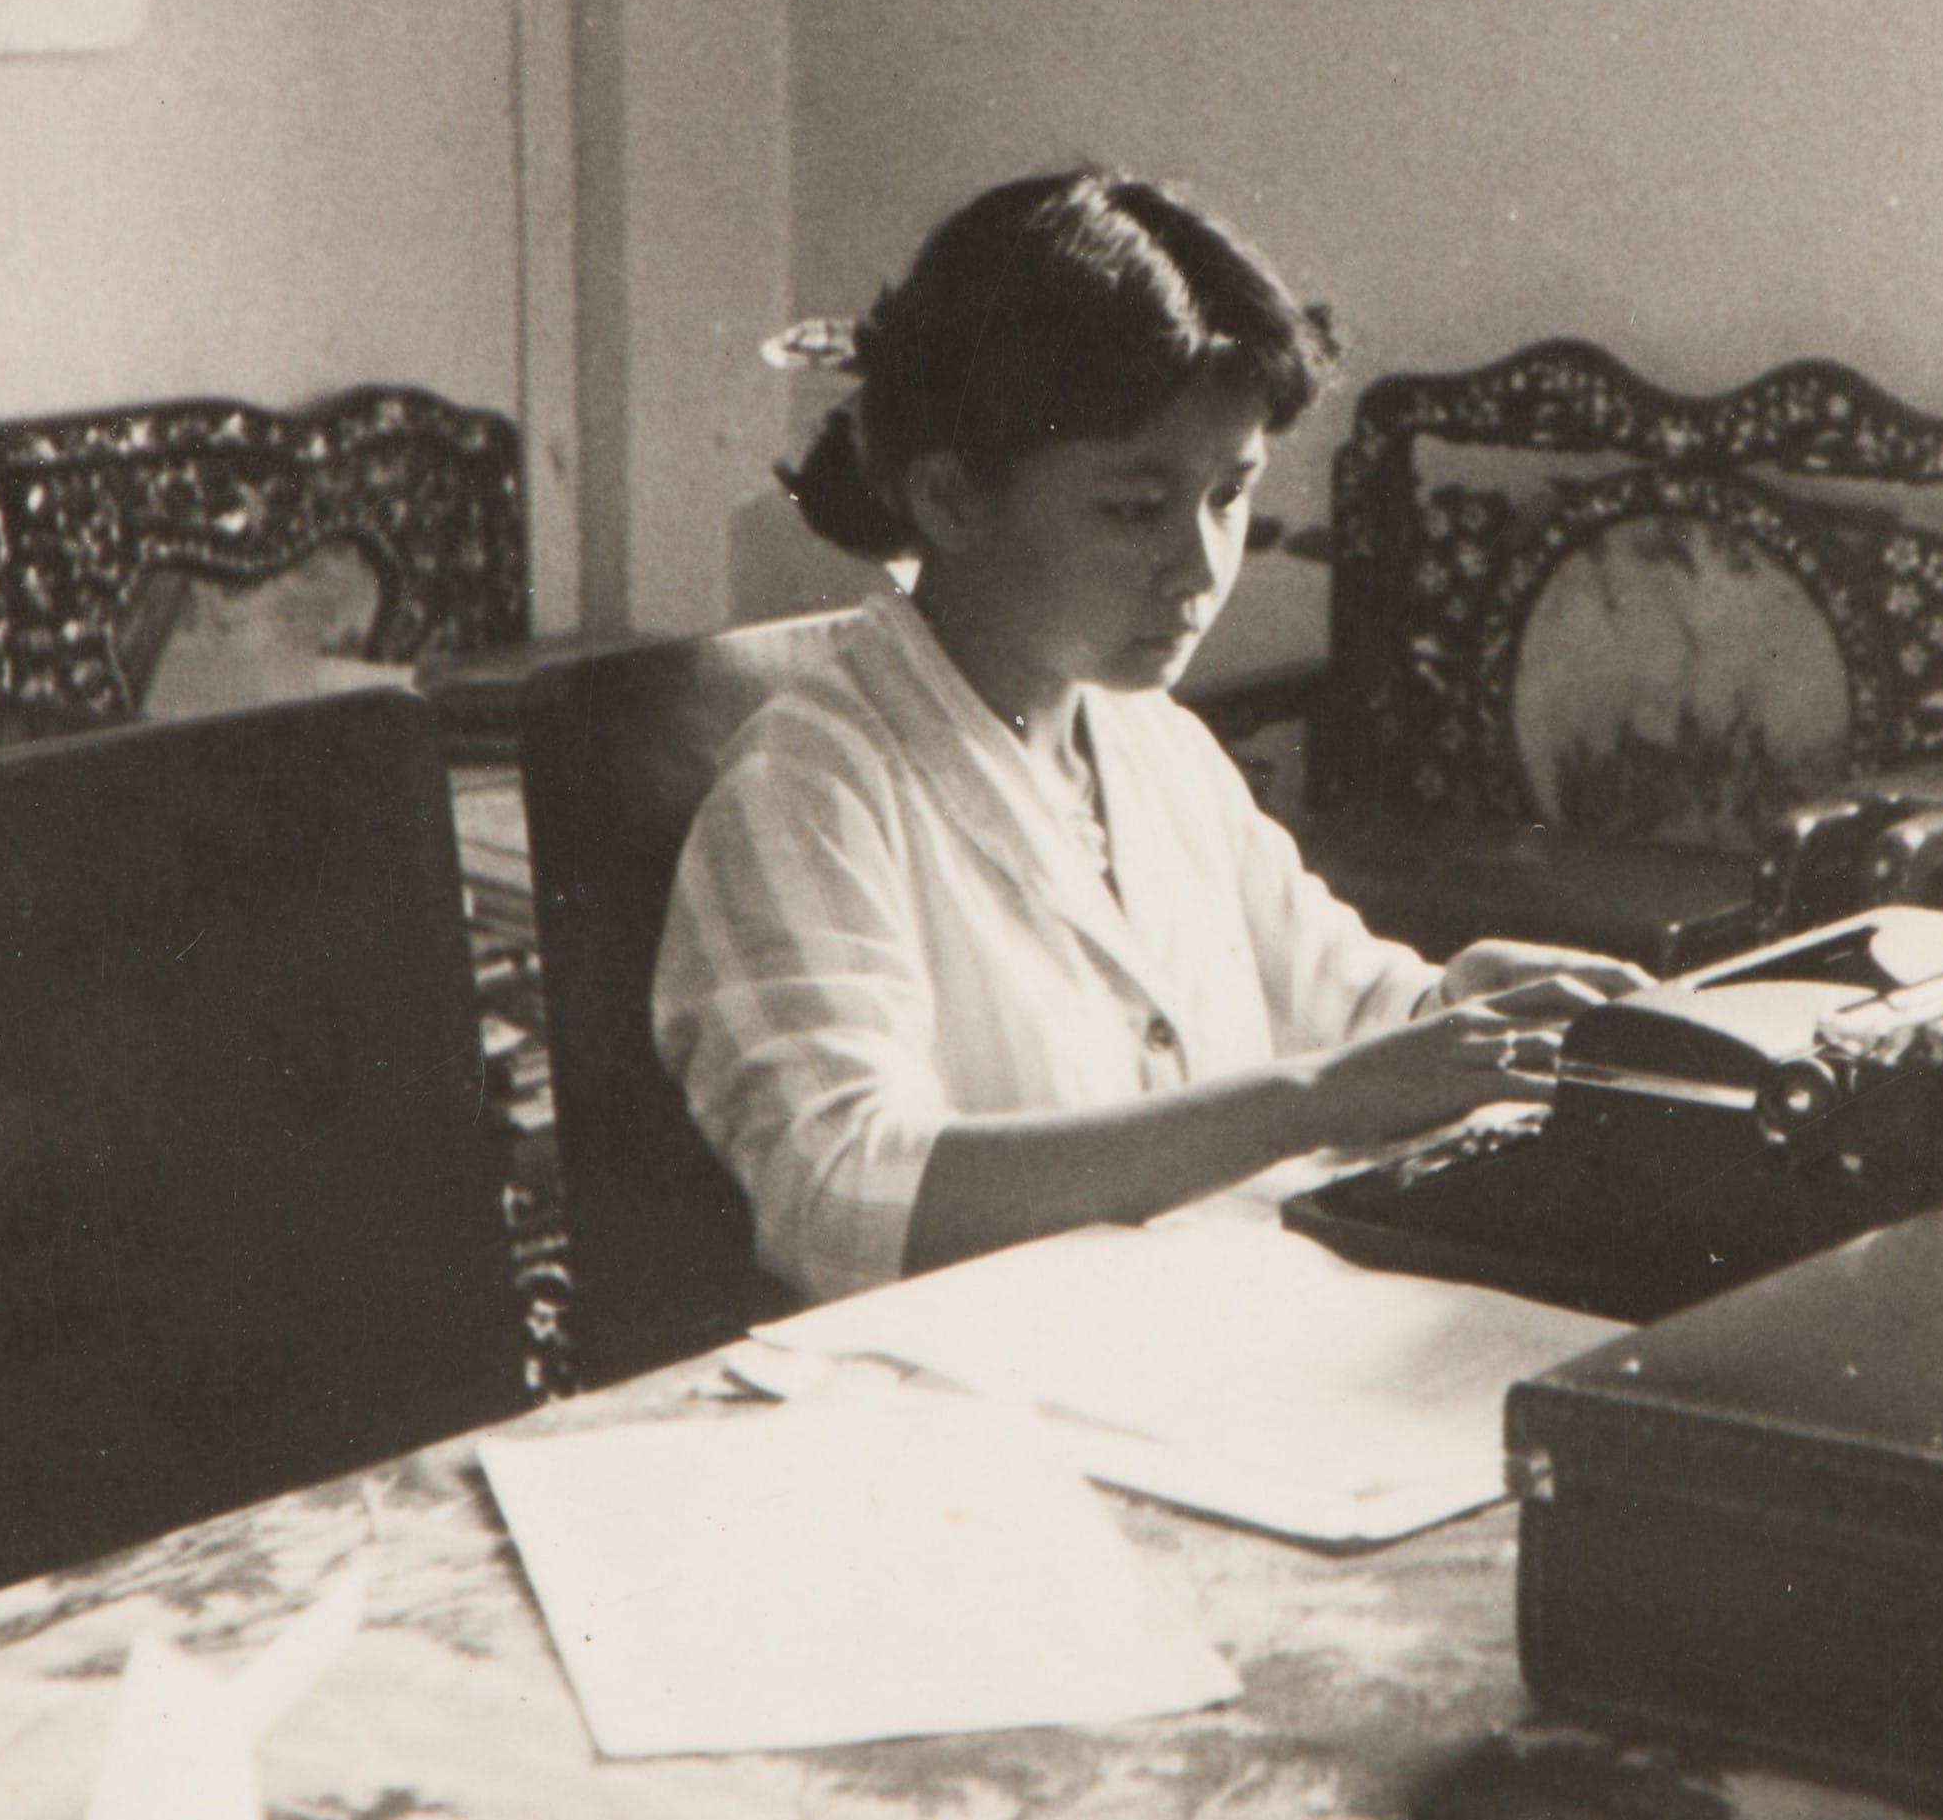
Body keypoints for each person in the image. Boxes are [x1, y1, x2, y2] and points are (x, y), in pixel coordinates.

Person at [655, 169, 1645, 1303]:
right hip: (967, 1406)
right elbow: (840, 1193)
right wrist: (1309, 1100)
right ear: (950, 497)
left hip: (1191, 1350)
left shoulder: (1152, 745)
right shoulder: (811, 786)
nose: (1202, 564)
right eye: (1137, 508)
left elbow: (1333, 999)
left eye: (1228, 494)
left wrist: (1446, 1007)